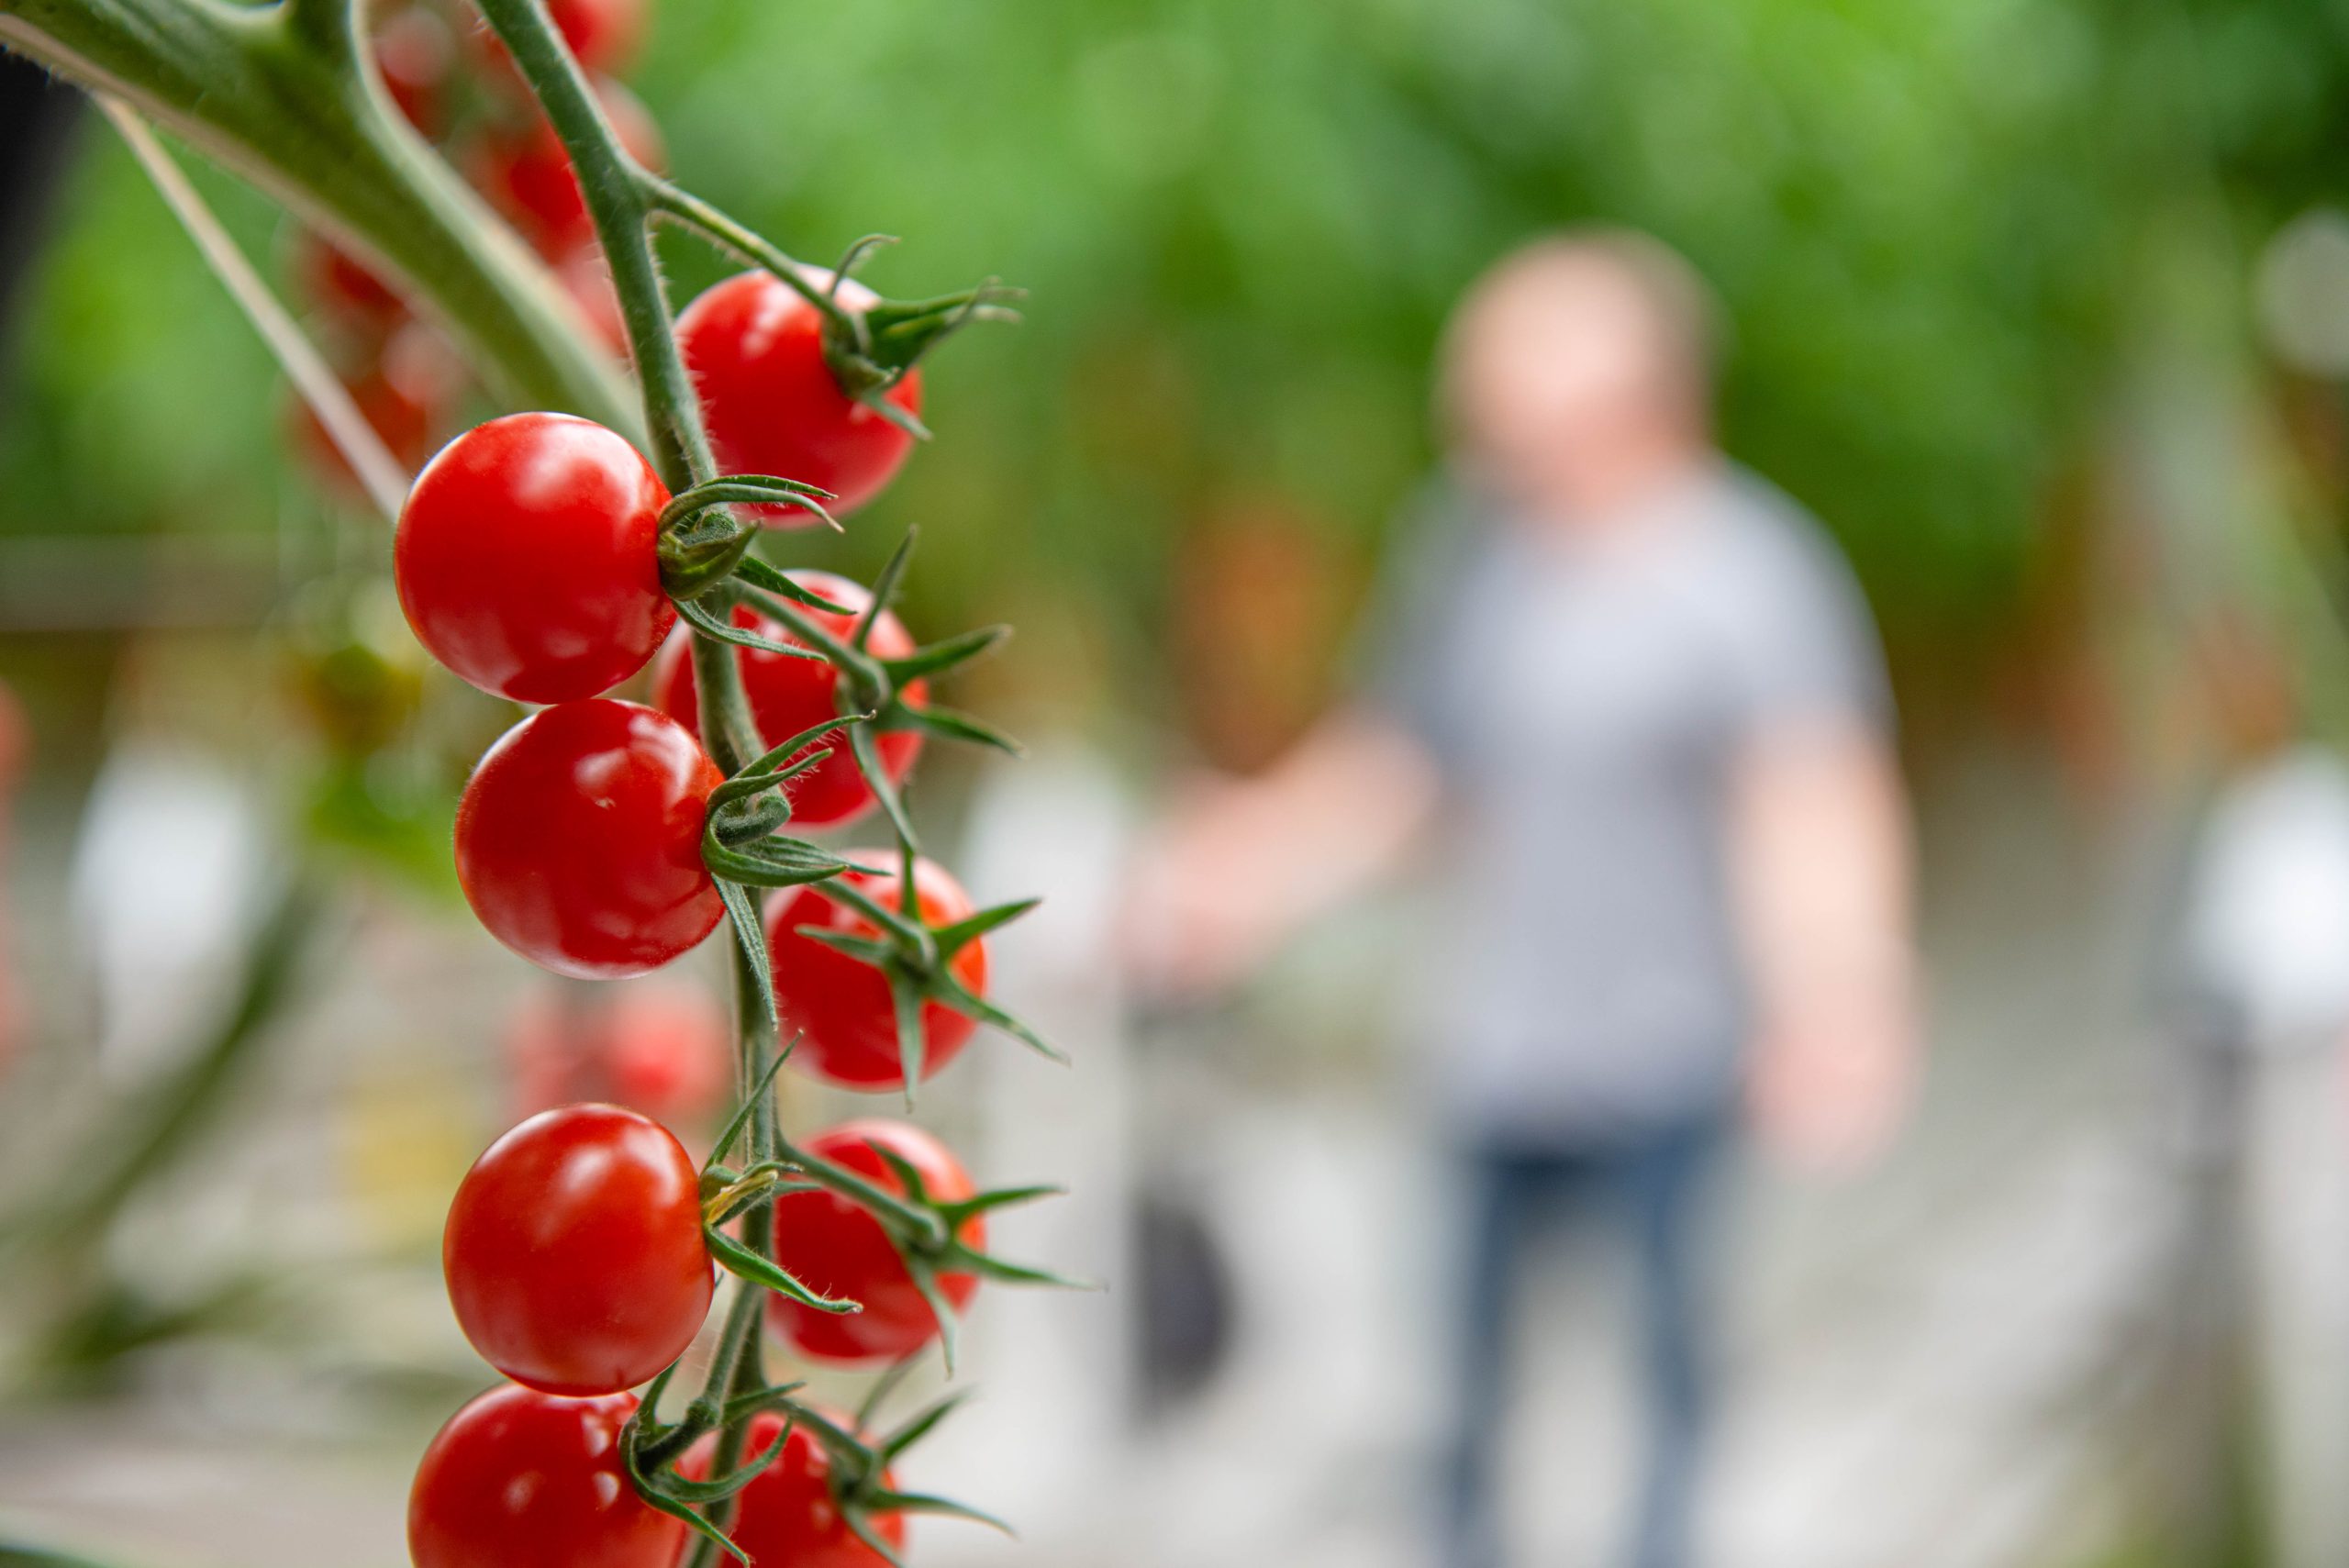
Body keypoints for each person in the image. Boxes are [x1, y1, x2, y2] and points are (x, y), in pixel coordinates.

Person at [1131, 231, 1919, 1568]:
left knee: (1666, 1381)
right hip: (1494, 1055)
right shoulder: (1476, 554)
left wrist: (1843, 994)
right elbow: (1403, 766)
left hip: (1674, 1062)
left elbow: (1812, 802)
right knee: (1458, 1397)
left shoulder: (1747, 572)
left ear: (1629, 385)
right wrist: (1248, 867)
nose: (1480, 408)